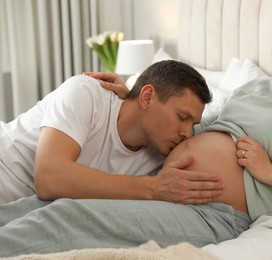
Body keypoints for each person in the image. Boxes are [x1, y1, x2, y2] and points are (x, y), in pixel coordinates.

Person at [0, 3, 272, 257]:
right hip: (166, 189)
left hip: (211, 213)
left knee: (69, 217)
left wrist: (269, 173)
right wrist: (134, 94)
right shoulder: (255, 87)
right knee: (42, 204)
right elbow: (197, 126)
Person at [0, 60, 224, 205]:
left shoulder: (162, 154)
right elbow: (49, 178)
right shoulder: (85, 92)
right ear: (147, 97)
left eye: (193, 124)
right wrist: (154, 188)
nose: (188, 133)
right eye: (182, 117)